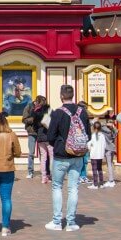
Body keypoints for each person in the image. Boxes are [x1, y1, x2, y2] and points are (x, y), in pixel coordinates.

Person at [44, 84, 91, 232]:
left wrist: (57, 143)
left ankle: (57, 221)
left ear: (61, 96)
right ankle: (71, 222)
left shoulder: (57, 113)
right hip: (77, 155)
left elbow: (50, 136)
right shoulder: (82, 112)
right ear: (73, 95)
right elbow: (87, 134)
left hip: (61, 155)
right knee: (73, 188)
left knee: (57, 186)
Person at [27, 96, 52, 183]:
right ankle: (52, 175)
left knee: (43, 157)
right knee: (52, 156)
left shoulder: (35, 111)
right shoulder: (48, 109)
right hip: (48, 135)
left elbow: (34, 124)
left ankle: (43, 177)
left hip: (40, 135)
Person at [87, 121, 106, 189]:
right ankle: (101, 183)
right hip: (100, 155)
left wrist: (90, 148)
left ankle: (95, 184)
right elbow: (104, 145)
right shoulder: (103, 136)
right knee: (100, 169)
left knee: (94, 169)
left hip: (94, 155)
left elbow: (89, 145)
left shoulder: (92, 136)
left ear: (93, 128)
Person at [100, 112, 117, 187]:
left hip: (107, 148)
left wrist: (106, 124)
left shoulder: (104, 128)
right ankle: (111, 179)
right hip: (112, 148)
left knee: (109, 164)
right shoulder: (115, 129)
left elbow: (95, 124)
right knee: (110, 164)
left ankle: (111, 180)